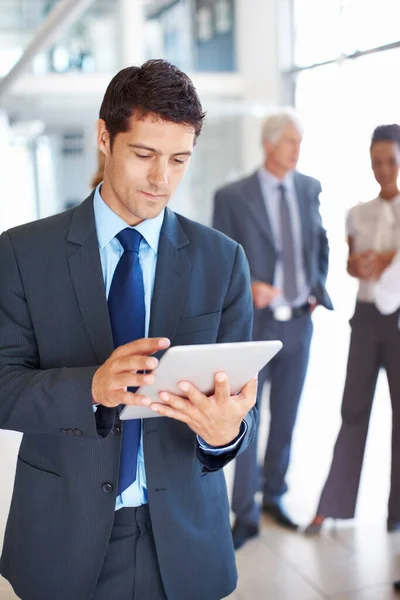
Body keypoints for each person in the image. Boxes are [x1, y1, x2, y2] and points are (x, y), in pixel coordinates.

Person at [0, 60, 258, 600]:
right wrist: (90, 389)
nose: (162, 179)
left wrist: (224, 433)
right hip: (63, 537)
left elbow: (239, 406)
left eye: (179, 160)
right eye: (144, 155)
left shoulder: (223, 260)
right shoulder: (22, 254)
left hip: (186, 540)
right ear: (104, 136)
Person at [213, 109, 332, 549]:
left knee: (287, 415)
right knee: (246, 415)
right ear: (269, 144)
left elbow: (319, 240)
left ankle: (274, 495)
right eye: (290, 142)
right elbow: (220, 261)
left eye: (299, 143)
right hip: (255, 325)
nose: (297, 150)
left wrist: (317, 287)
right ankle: (243, 511)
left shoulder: (308, 188)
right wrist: (251, 285)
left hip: (300, 322)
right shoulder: (232, 196)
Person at [305, 124, 400, 535]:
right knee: (353, 410)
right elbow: (349, 262)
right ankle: (333, 505)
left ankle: (397, 514)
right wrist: (358, 265)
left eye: (391, 162)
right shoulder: (357, 212)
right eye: (376, 162)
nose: (383, 170)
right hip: (365, 320)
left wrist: (389, 256)